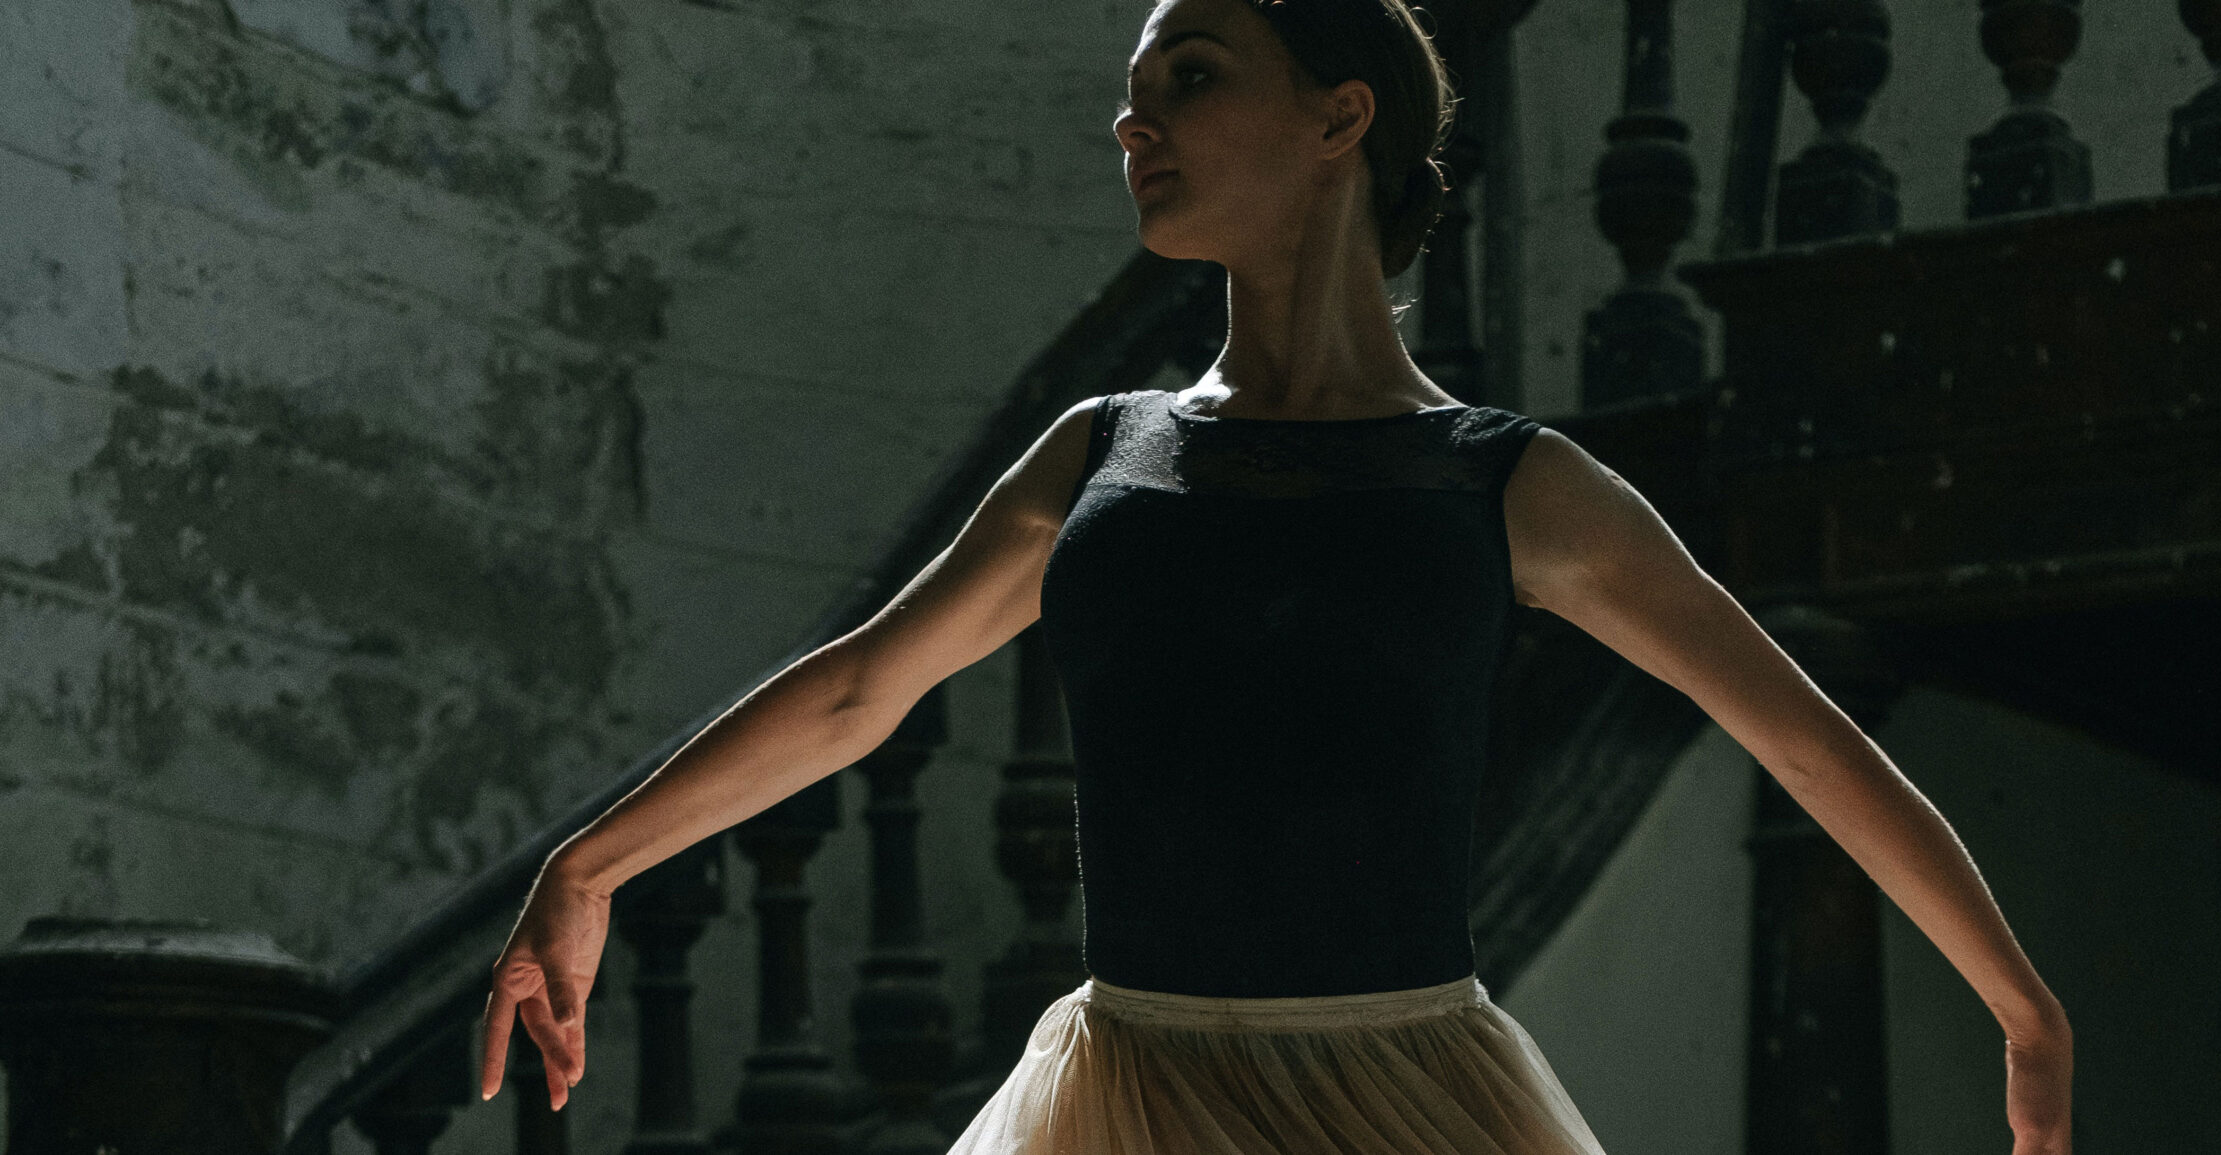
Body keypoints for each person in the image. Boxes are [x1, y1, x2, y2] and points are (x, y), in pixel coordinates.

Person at [479, 0, 2075, 1151]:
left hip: (1408, 1101)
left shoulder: (1509, 483)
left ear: (1341, 112)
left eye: (1189, 75)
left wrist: (2024, 1011)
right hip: (1123, 1097)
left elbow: (1804, 737)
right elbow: (856, 688)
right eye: (1130, 92)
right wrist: (590, 866)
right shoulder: (1099, 449)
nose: (1134, 121)